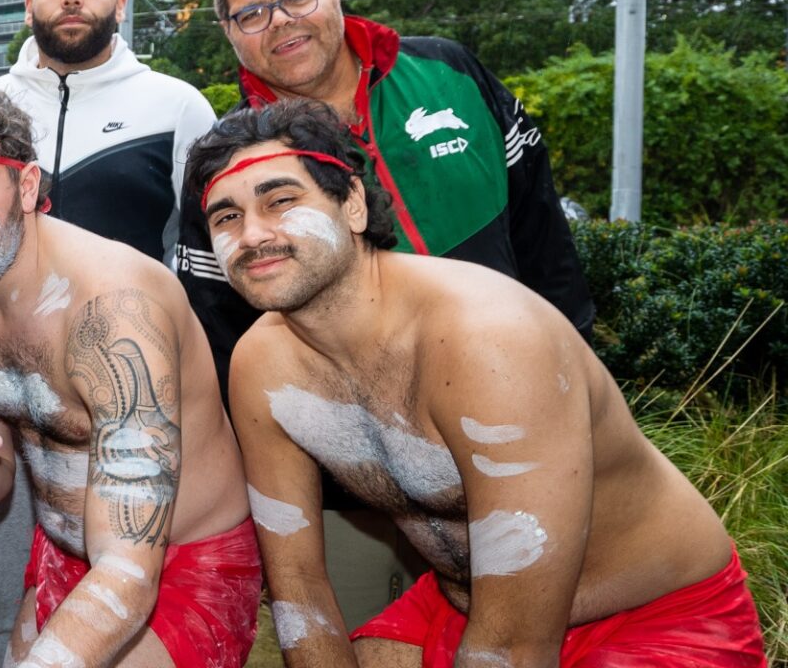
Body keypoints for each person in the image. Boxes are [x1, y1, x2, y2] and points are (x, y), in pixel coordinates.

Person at [190, 99, 765, 667]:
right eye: (227, 217)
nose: (253, 234)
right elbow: (299, 595)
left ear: (355, 206)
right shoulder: (261, 363)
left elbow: (513, 650)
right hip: (461, 606)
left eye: (281, 200)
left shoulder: (489, 338)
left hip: (656, 616)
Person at [173, 0, 596, 626]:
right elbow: (220, 330)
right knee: (364, 638)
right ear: (231, 36)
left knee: (533, 633)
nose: (281, 22)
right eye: (252, 14)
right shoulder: (228, 165)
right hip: (350, 484)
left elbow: (540, 227)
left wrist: (578, 364)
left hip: (518, 439)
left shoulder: (449, 75)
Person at [0, 83, 259, 668]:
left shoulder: (114, 309)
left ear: (26, 187)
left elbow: (131, 575)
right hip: (63, 553)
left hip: (180, 567)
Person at [0, 0, 219, 664]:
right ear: (29, 5)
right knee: (1, 606)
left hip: (133, 395)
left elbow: (202, 257)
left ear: (118, 1)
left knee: (130, 596)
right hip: (9, 388)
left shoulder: (175, 104)